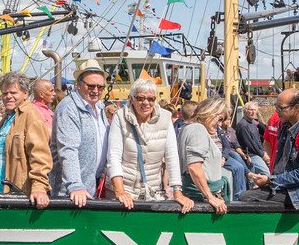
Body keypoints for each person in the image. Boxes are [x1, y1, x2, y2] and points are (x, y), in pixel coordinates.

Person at [106, 77, 192, 212]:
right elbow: (114, 155)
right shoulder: (120, 117)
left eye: (151, 99)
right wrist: (120, 191)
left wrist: (177, 191)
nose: (146, 103)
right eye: (140, 98)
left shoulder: (165, 118)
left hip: (151, 191)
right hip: (124, 189)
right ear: (131, 99)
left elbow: (172, 156)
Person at [0, 71, 51, 207]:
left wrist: (39, 188)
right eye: (5, 93)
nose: (8, 97)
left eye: (13, 93)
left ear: (25, 93)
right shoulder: (9, 116)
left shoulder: (31, 117)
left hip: (15, 193)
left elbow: (40, 156)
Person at [51, 63, 110, 207]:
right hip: (71, 193)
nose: (96, 90)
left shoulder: (100, 108)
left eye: (100, 87)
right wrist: (75, 185)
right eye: (91, 86)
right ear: (79, 85)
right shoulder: (68, 108)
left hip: (91, 187)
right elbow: (68, 149)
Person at [179, 97, 231, 215]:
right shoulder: (198, 130)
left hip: (199, 193)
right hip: (202, 197)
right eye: (220, 119)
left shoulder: (185, 128)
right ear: (209, 113)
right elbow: (194, 167)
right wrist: (210, 197)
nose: (220, 124)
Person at [234, 101, 271, 176]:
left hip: (258, 153)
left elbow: (258, 141)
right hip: (252, 155)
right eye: (251, 110)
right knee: (267, 174)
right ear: (245, 111)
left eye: (254, 110)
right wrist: (263, 155)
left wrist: (264, 152)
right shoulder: (243, 125)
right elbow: (250, 144)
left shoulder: (253, 123)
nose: (253, 112)